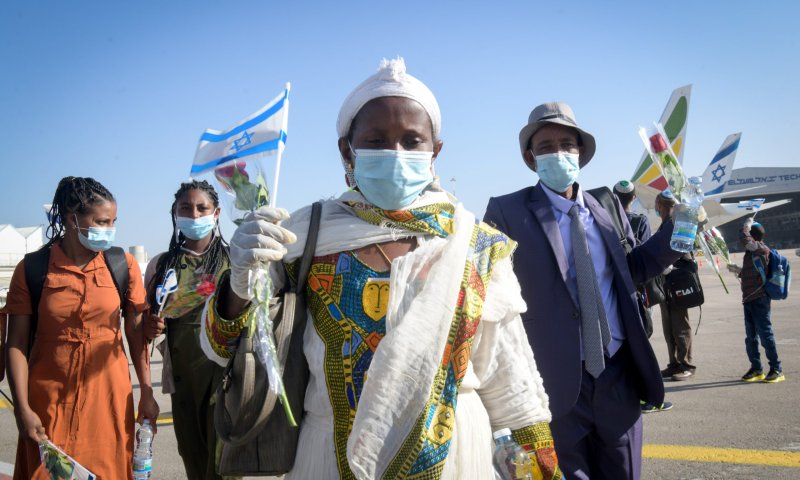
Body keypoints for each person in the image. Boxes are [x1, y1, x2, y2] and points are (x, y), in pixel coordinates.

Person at [201, 58, 562, 479]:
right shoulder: (301, 236)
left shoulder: (475, 244)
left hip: (453, 457)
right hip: (331, 456)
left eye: (412, 141)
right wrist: (241, 281)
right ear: (346, 149)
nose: (396, 152)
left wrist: (538, 465)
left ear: (435, 151)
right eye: (376, 140)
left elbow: (509, 374)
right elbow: (222, 347)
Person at [484, 102, 682, 480]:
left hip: (617, 375)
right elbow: (492, 297)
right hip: (551, 382)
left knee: (624, 471)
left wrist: (679, 230)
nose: (558, 153)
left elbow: (633, 269)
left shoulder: (606, 205)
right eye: (545, 147)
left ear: (581, 153)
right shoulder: (506, 212)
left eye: (566, 144)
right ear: (530, 158)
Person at [4, 176, 158, 479]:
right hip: (49, 400)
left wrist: (148, 391)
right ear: (72, 218)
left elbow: (135, 334)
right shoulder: (32, 268)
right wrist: (22, 408)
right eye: (101, 221)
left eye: (113, 221)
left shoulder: (122, 265)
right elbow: (16, 344)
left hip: (109, 400)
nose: (109, 229)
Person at [143, 180, 239, 479]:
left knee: (225, 463)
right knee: (194, 461)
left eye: (202, 208)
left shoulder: (235, 259)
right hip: (184, 381)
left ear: (217, 212)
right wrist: (150, 325)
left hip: (227, 378)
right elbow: (145, 326)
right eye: (186, 208)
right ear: (175, 212)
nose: (194, 215)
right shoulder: (162, 265)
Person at [614, 181, 673, 413]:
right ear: (633, 198)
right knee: (642, 338)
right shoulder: (639, 221)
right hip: (636, 290)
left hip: (614, 291)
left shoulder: (605, 221)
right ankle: (645, 396)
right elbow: (646, 256)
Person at [727, 220, 785, 383]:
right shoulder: (752, 253)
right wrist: (738, 271)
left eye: (749, 234)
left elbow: (746, 240)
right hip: (748, 299)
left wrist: (745, 226)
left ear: (753, 236)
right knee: (751, 337)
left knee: (766, 335)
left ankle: (776, 369)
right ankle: (756, 368)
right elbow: (753, 273)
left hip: (760, 299)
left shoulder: (761, 249)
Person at [654, 191, 699, 381]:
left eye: (659, 205)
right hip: (666, 285)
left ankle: (686, 364)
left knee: (680, 325)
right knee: (668, 326)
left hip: (677, 283)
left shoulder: (676, 225)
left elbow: (687, 256)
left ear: (662, 206)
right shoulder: (665, 225)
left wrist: (672, 266)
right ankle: (673, 364)